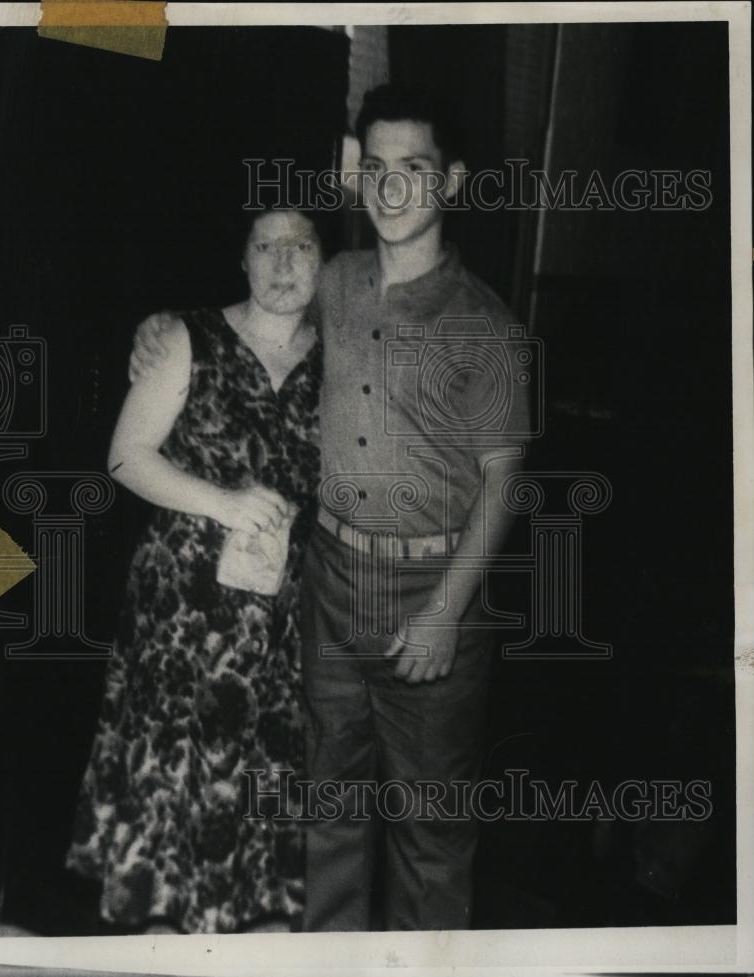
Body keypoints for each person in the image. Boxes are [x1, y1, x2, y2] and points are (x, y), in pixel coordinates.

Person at [131, 85, 530, 932]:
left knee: (429, 833)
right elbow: (253, 313)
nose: (390, 190)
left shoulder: (489, 327)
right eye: (375, 169)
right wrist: (163, 322)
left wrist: (445, 615)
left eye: (413, 170)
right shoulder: (337, 281)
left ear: (451, 183)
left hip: (434, 592)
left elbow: (504, 483)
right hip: (329, 583)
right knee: (327, 817)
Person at [66, 208, 323, 934]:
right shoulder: (186, 338)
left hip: (280, 615)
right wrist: (224, 503)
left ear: (322, 264)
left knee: (257, 770)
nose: (282, 262)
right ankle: (162, 933)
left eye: (300, 245)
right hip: (182, 610)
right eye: (265, 246)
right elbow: (125, 456)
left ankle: (242, 925)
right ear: (241, 260)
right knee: (176, 765)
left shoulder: (341, 362)